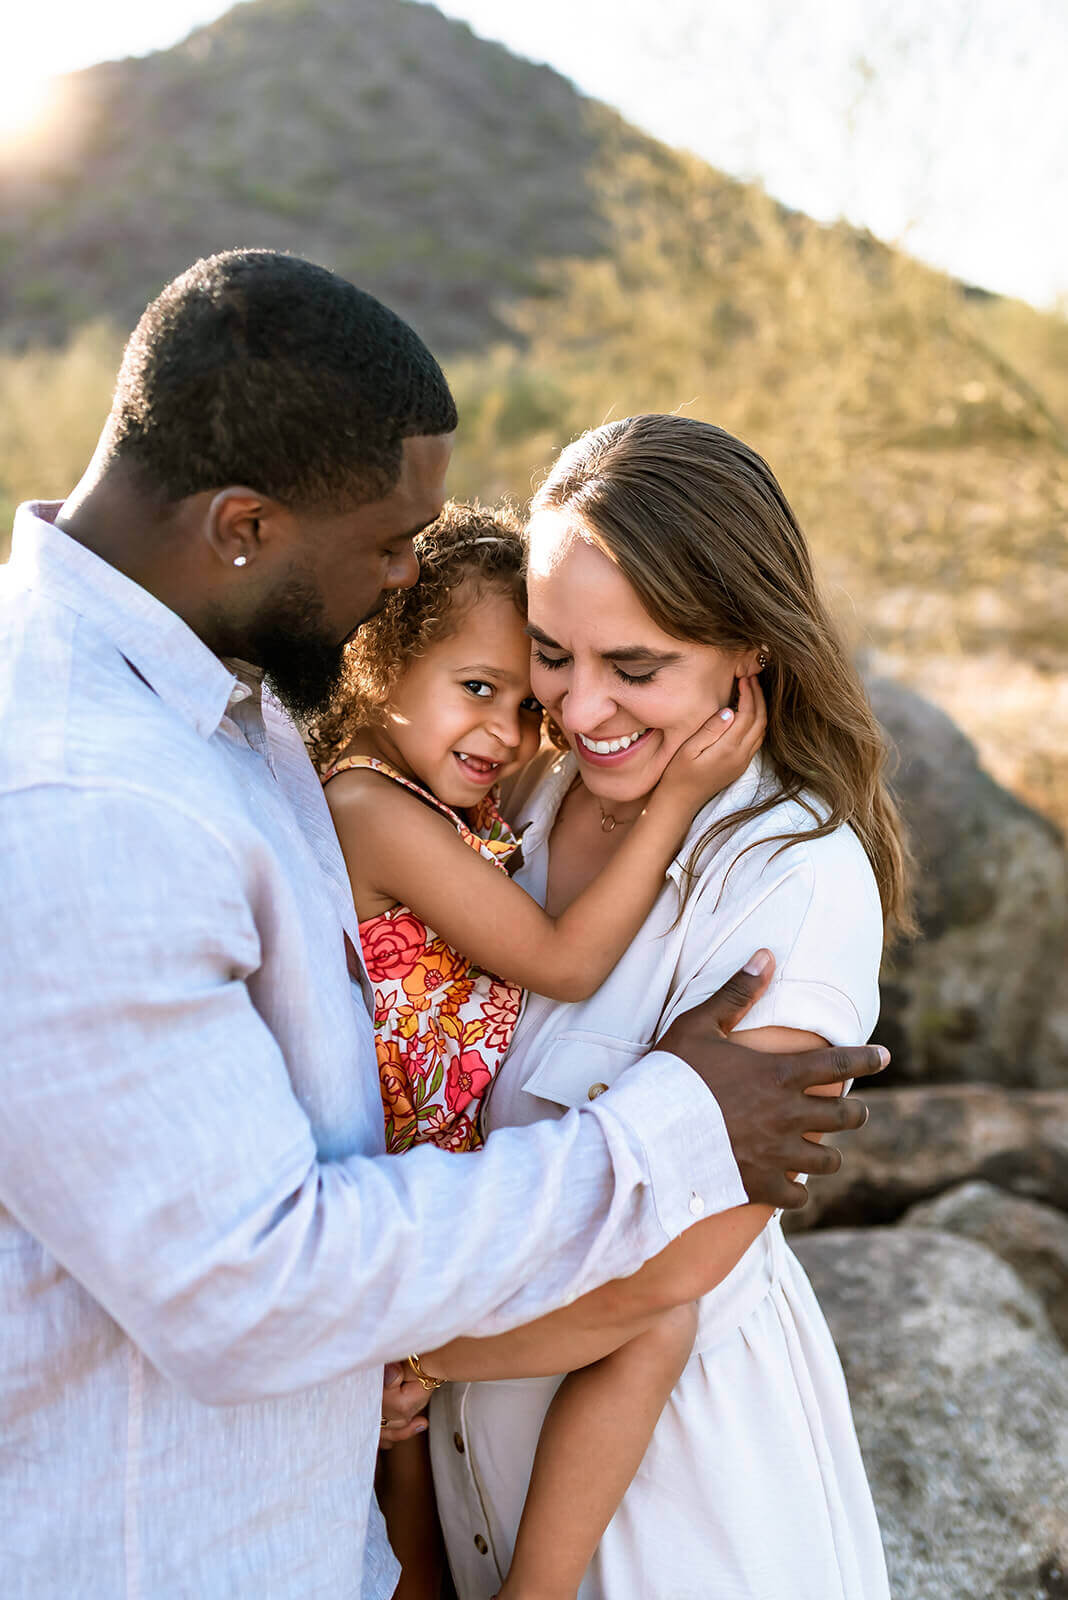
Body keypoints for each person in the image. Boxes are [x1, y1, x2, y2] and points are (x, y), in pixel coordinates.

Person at [0, 254, 887, 1599]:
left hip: (654, 1515)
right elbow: (247, 1282)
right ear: (244, 526)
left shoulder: (231, 719)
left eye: (632, 666)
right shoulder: (84, 794)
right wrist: (677, 1131)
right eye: (385, 543)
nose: (409, 578)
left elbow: (672, 1278)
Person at [419, 415, 913, 1599]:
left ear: (749, 644)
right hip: (457, 1476)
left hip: (684, 1511)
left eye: (635, 667)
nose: (581, 709)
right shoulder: (512, 790)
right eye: (551, 652)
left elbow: (667, 1269)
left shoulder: (793, 877)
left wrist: (397, 1352)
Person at [311, 499, 765, 1597]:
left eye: (529, 703)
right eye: (478, 690)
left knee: (405, 1476)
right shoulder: (372, 806)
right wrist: (679, 801)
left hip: (429, 1179)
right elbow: (559, 961)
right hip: (401, 1192)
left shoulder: (443, 798)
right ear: (377, 662)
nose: (510, 736)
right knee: (651, 1322)